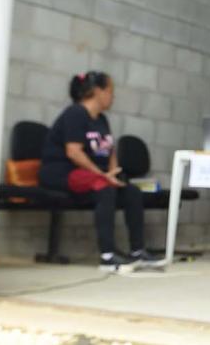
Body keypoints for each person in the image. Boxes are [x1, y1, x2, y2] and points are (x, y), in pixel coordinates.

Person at [39, 71, 156, 271]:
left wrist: (114, 173)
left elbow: (109, 150)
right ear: (97, 91)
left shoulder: (102, 119)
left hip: (90, 174)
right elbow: (73, 152)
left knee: (131, 193)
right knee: (104, 187)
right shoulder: (75, 113)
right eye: (110, 91)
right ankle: (107, 256)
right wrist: (103, 176)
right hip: (62, 171)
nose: (113, 96)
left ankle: (138, 252)